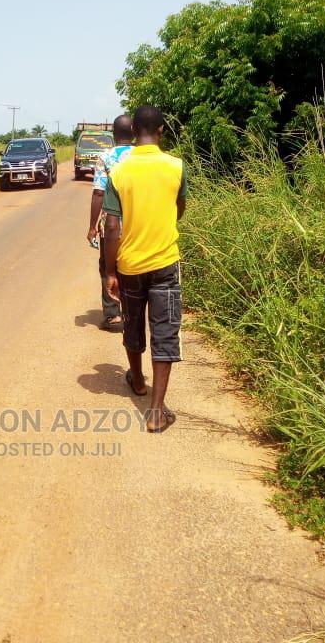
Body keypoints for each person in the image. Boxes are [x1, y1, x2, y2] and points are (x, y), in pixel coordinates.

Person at [103, 105, 187, 433]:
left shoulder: (120, 172)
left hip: (130, 265)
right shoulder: (176, 167)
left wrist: (110, 272)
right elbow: (179, 210)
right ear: (162, 130)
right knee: (165, 331)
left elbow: (112, 227)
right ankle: (155, 411)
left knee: (133, 323)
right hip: (165, 262)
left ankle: (137, 381)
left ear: (134, 130)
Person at [86, 114, 133, 330]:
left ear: (113, 135)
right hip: (137, 221)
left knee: (108, 265)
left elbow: (98, 192)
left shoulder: (105, 157)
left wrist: (93, 226)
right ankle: (132, 310)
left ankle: (113, 314)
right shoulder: (140, 157)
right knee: (131, 264)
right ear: (133, 133)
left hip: (110, 222)